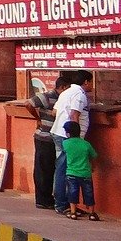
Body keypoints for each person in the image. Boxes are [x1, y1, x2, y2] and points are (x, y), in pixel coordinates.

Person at [51, 70, 93, 215]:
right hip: (68, 136)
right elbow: (74, 115)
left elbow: (54, 112)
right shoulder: (79, 94)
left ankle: (64, 203)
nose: (91, 85)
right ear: (86, 82)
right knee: (65, 170)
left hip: (59, 132)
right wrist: (75, 139)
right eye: (91, 82)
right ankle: (62, 204)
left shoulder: (66, 92)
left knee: (62, 168)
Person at [25, 74, 70, 209]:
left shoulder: (64, 98)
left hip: (55, 137)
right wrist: (37, 118)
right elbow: (29, 104)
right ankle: (42, 199)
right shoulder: (48, 96)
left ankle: (50, 198)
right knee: (43, 169)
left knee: (52, 169)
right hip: (44, 137)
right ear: (62, 87)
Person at [62, 121, 100, 220]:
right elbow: (94, 156)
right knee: (88, 193)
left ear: (68, 133)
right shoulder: (86, 144)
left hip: (71, 172)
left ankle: (73, 212)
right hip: (85, 173)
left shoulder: (66, 143)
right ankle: (92, 213)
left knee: (72, 193)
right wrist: (93, 166)